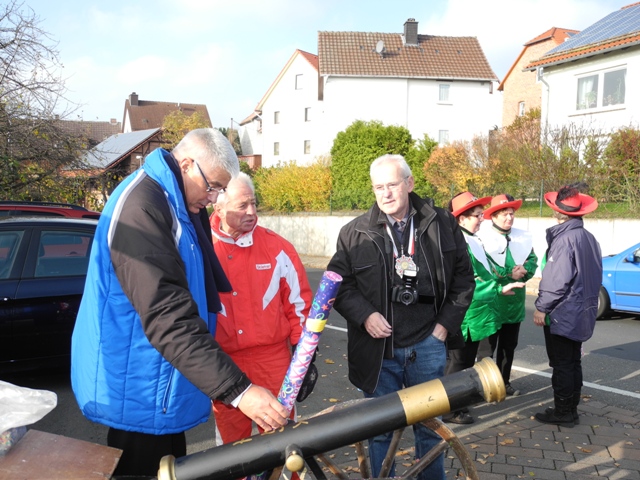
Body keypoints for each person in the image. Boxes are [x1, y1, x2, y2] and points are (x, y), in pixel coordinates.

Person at [71, 128, 289, 477]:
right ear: (186, 164)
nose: (214, 198)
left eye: (220, 190)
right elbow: (168, 317)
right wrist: (239, 391)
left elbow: (203, 286)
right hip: (140, 384)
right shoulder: (142, 207)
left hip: (162, 380)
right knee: (146, 469)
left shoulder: (176, 200)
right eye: (212, 186)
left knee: (173, 469)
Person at [327, 154, 475, 480]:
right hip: (380, 351)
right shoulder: (354, 233)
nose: (386, 193)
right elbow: (339, 285)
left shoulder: (442, 223)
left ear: (409, 183)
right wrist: (366, 315)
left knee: (430, 428)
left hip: (428, 344)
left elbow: (464, 279)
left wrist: (443, 327)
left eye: (392, 184)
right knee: (380, 431)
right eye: (378, 187)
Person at [209, 173, 316, 444]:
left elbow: (300, 306)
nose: (252, 212)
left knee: (282, 441)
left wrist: (306, 357)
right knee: (232, 448)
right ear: (218, 208)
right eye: (242, 205)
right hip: (224, 362)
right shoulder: (201, 247)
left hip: (273, 359)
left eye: (254, 203)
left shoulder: (278, 248)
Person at [443, 192, 525, 425]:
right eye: (477, 215)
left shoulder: (471, 239)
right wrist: (499, 288)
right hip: (467, 316)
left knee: (464, 362)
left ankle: (457, 405)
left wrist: (506, 276)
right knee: (458, 363)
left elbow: (487, 273)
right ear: (461, 218)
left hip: (476, 313)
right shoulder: (460, 243)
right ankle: (449, 409)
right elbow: (467, 283)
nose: (482, 219)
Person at [533, 184, 602, 427]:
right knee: (573, 361)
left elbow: (556, 281)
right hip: (581, 310)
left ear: (559, 212)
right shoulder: (588, 238)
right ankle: (570, 408)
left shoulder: (564, 240)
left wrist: (541, 307)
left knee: (561, 363)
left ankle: (563, 411)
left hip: (564, 311)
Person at [476, 194, 538, 396]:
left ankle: (504, 382)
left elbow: (532, 260)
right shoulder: (482, 238)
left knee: (508, 346)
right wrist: (508, 273)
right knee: (486, 349)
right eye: (504, 214)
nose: (509, 217)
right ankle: (482, 386)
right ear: (493, 216)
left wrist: (525, 270)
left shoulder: (523, 238)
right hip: (492, 301)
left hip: (514, 302)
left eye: (512, 213)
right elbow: (484, 268)